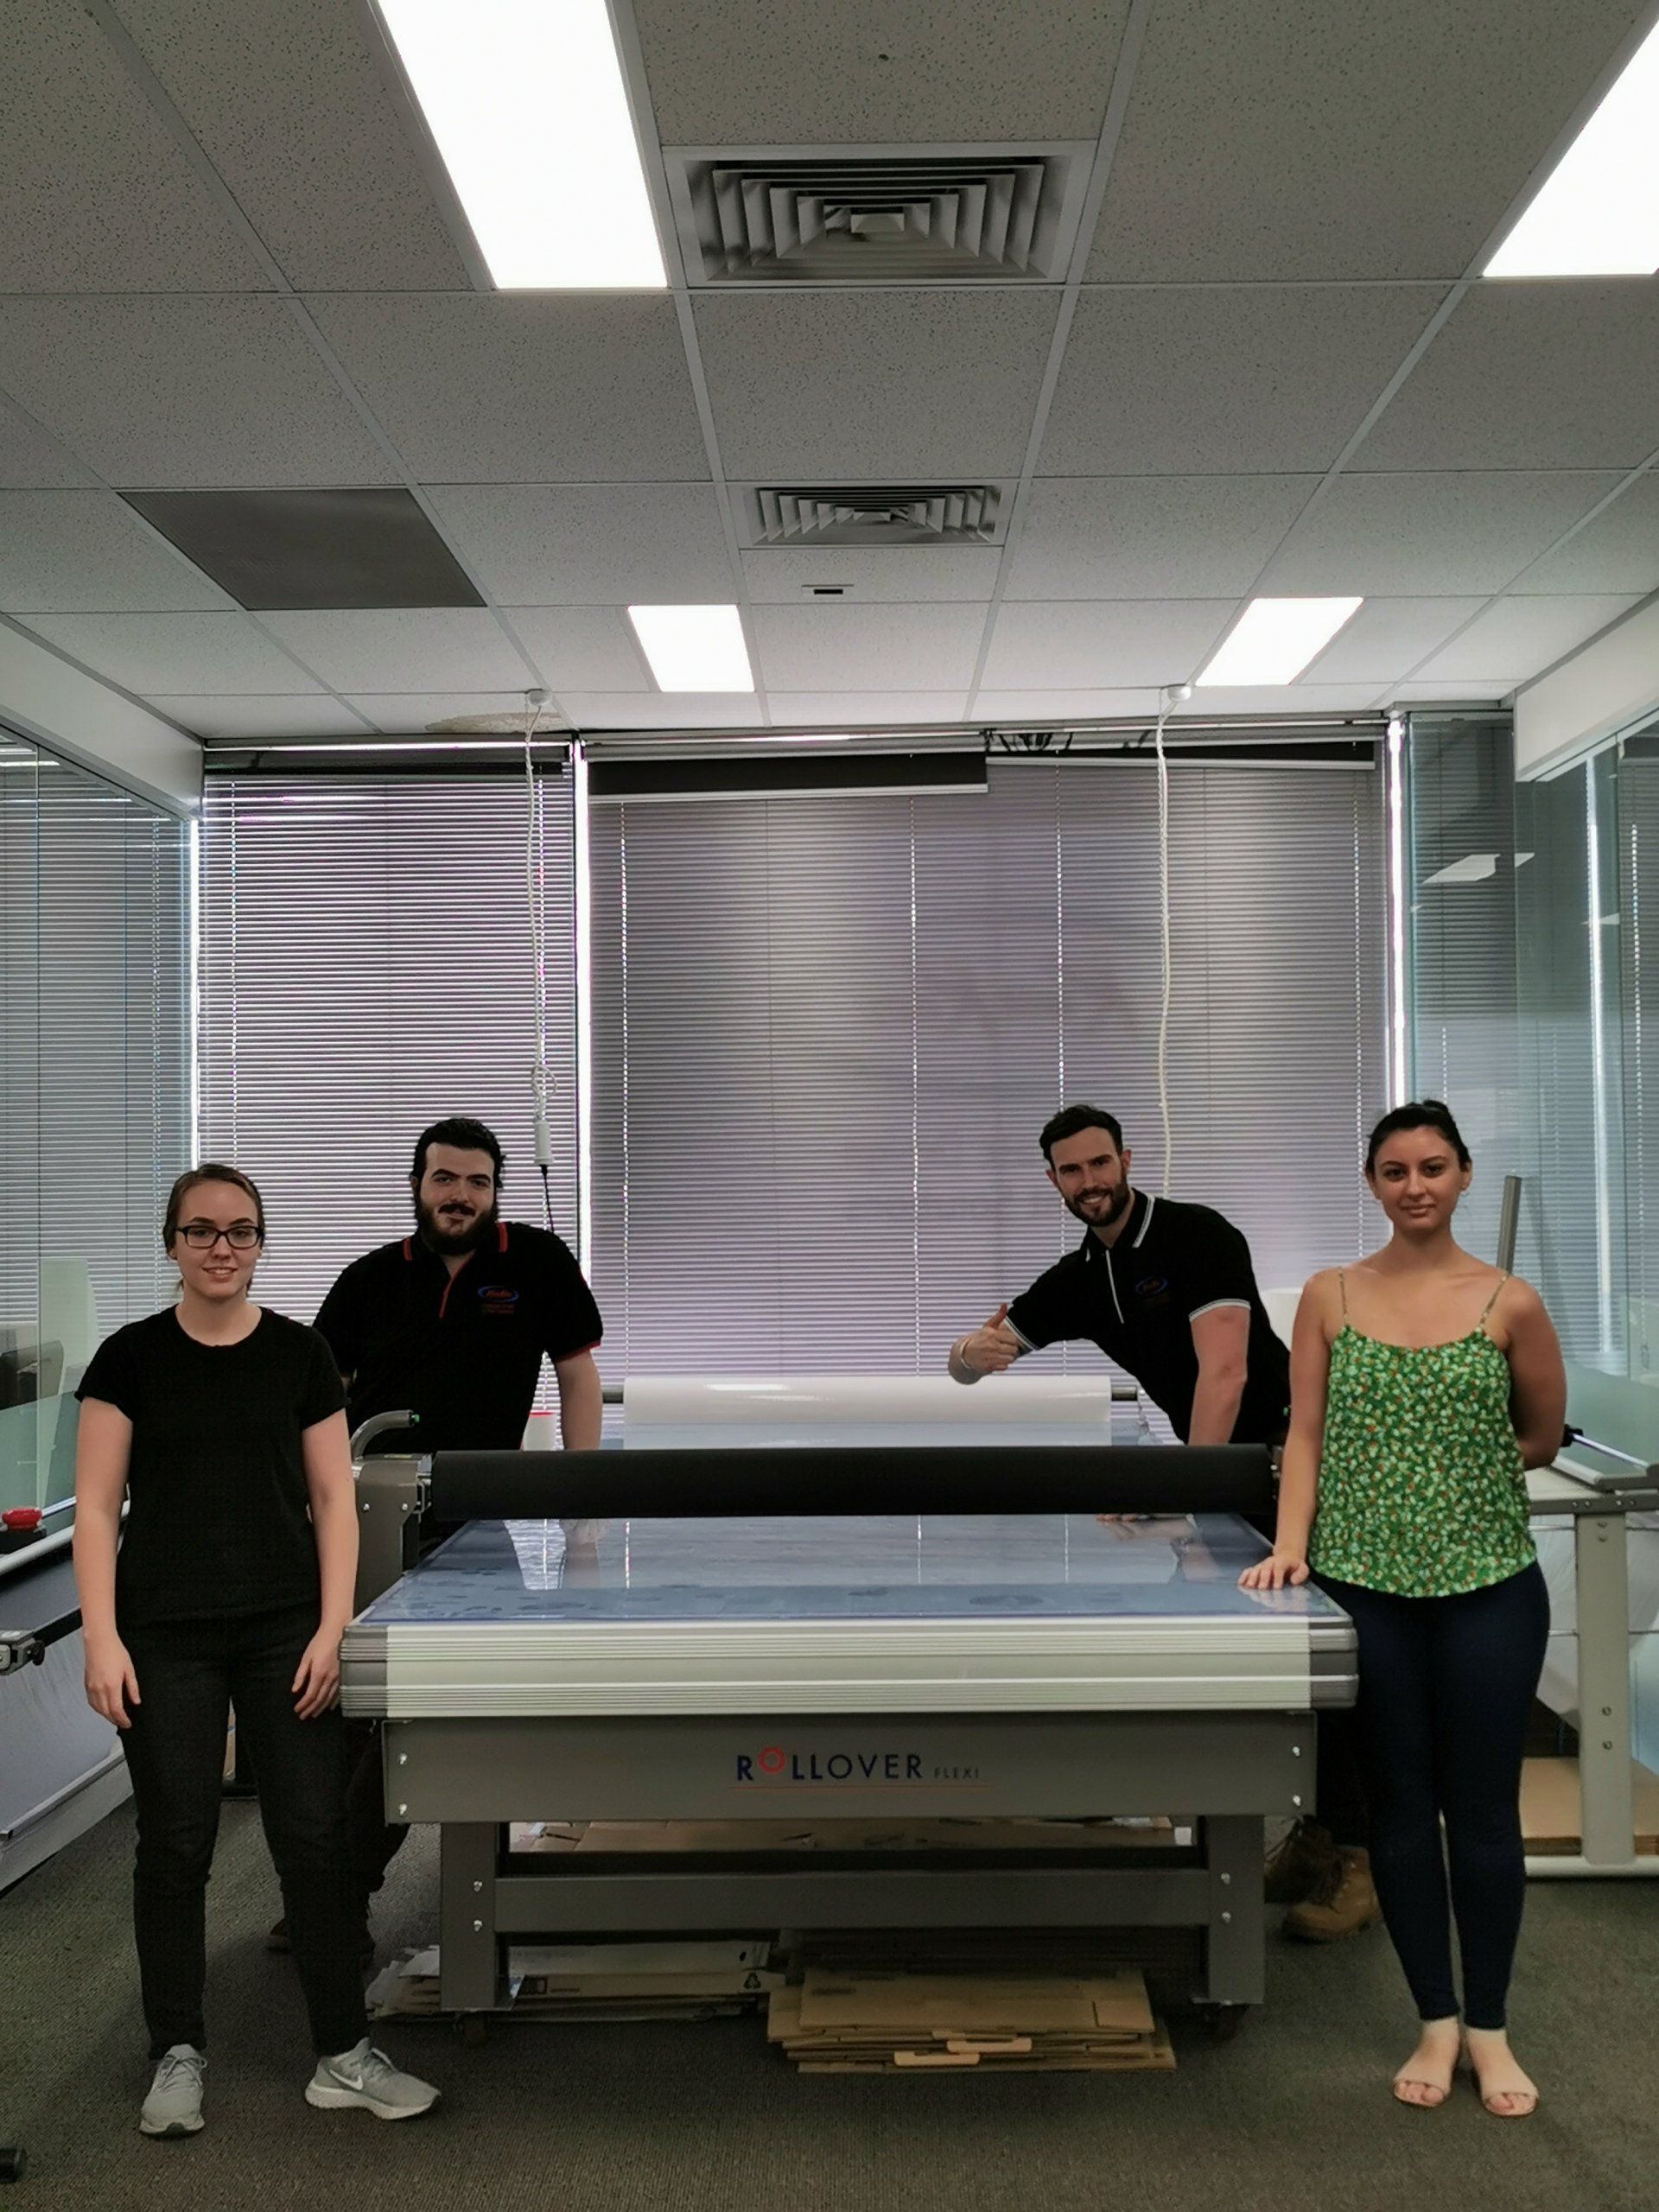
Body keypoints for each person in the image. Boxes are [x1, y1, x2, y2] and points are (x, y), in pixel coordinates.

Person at [947, 1102, 1376, 1940]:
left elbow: (1225, 1374)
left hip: (1300, 1461)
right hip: (1226, 1475)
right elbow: (971, 1366)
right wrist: (970, 1355)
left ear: (1127, 1160)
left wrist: (1185, 1493)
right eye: (1072, 1170)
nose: (1090, 1181)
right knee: (1264, 1663)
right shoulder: (1082, 1278)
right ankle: (1316, 1836)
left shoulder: (1196, 1236)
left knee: (1326, 1656)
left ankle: (1359, 1860)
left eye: (1101, 1162)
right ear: (1053, 1181)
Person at [72, 1165, 438, 2140]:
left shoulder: (301, 1354)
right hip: (164, 1636)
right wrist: (101, 1638)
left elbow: (332, 1499)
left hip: (286, 1630)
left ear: (261, 1244)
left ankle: (342, 2053)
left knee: (315, 1840)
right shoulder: (127, 1360)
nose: (221, 1247)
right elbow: (97, 1509)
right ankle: (177, 2051)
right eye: (201, 1230)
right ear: (172, 1243)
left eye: (240, 1231)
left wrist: (333, 1628)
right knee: (176, 1844)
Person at [1240, 1100, 1566, 2118]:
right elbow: (1303, 1434)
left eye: (1432, 1167)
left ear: (1463, 1174)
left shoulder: (1509, 1301)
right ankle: (1435, 2017)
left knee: (1484, 1811)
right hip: (1366, 1589)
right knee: (1399, 1808)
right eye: (1394, 1170)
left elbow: (1539, 1435)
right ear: (1373, 1183)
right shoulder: (1330, 1295)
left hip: (1489, 1588)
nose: (1414, 1185)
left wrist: (1442, 1474)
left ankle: (1490, 2026)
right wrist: (1291, 1545)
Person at [302, 1116, 602, 1945]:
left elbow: (577, 1378)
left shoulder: (536, 1262)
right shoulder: (370, 1279)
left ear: (496, 1191)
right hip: (367, 1513)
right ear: (417, 1186)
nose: (461, 1195)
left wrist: (583, 1503)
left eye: (477, 1181)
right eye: (445, 1179)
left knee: (456, 1699)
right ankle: (332, 1892)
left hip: (477, 1518)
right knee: (358, 1702)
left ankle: (367, 1883)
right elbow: (319, 1401)